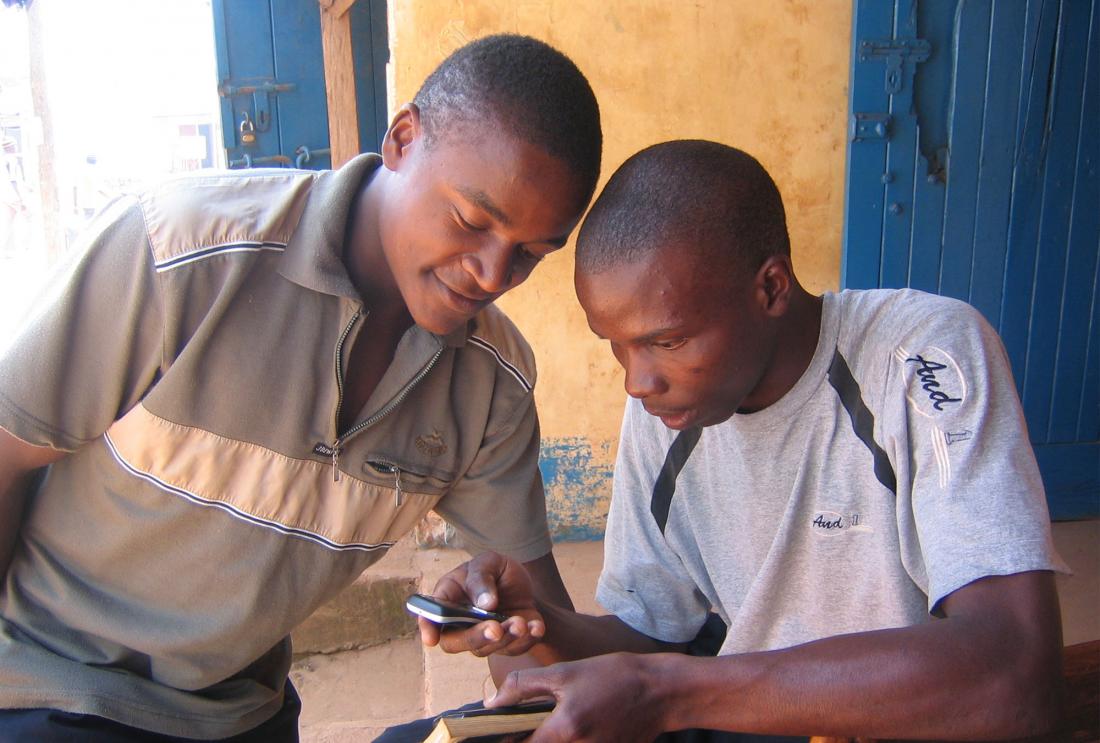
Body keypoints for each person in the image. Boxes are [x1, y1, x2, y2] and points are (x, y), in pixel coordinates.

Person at [0, 34, 600, 740]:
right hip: (54, 689)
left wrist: (514, 639)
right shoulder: (178, 256)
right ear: (403, 139)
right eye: (472, 221)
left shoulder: (488, 385)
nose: (494, 275)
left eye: (532, 252)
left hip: (242, 711)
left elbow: (532, 635)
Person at [416, 140, 1068, 742]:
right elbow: (654, 636)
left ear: (770, 288)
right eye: (616, 344)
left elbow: (1014, 672)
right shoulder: (666, 408)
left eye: (666, 341)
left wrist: (666, 691)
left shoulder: (919, 355)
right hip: (744, 716)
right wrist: (544, 625)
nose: (637, 380)